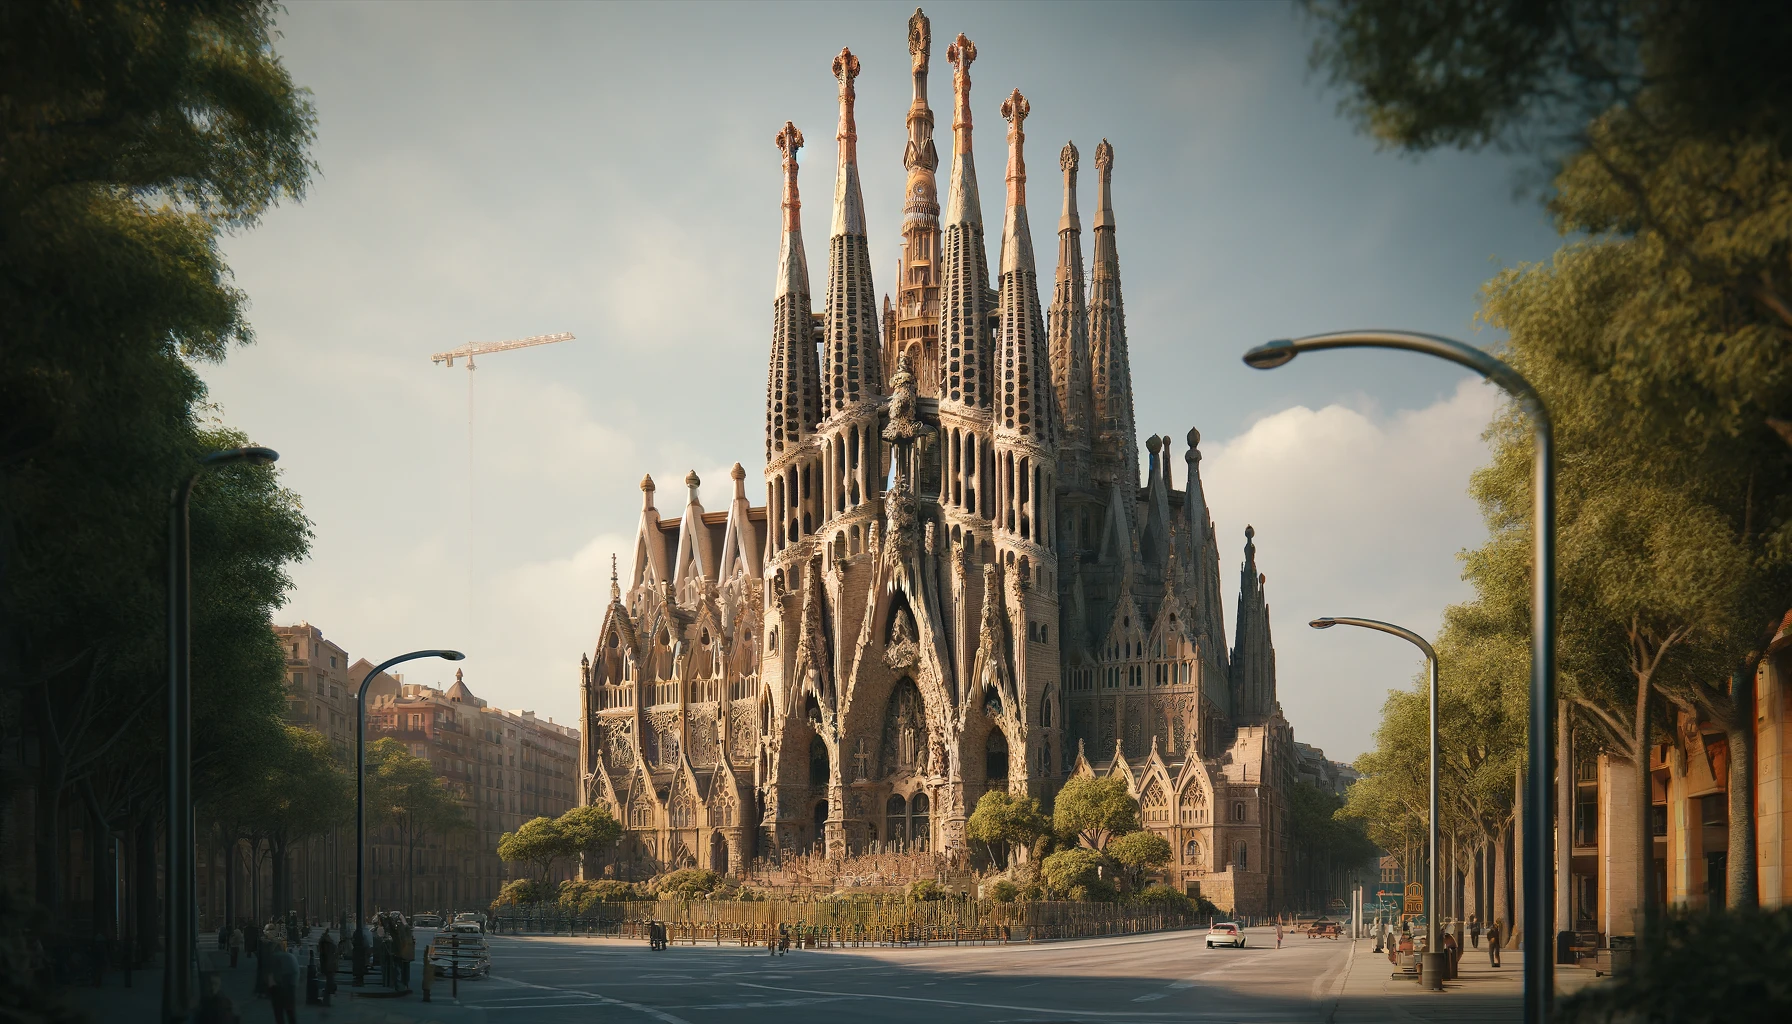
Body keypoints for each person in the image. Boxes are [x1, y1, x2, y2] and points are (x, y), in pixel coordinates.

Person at [266, 943, 299, 1024]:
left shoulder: (274, 957)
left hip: (278, 987)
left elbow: (270, 974)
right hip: (290, 986)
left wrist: (270, 990)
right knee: (290, 1011)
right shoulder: (291, 956)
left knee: (278, 1012)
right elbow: (296, 972)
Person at [317, 928, 339, 1006]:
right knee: (330, 983)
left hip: (327, 966)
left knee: (329, 983)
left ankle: (326, 999)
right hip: (330, 966)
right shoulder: (329, 945)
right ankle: (326, 1000)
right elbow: (333, 955)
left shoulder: (323, 944)